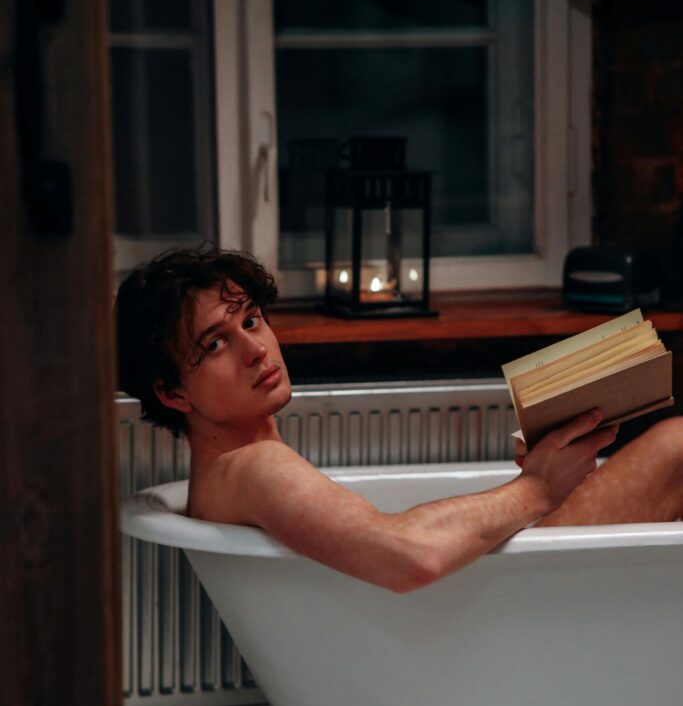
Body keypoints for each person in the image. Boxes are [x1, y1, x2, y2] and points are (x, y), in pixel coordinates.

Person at [116, 245, 683, 592]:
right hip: (465, 627)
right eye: (216, 344)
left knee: (672, 444)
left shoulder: (230, 474)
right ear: (173, 394)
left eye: (255, 320)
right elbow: (410, 557)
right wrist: (536, 489)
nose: (256, 349)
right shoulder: (253, 467)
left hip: (467, 616)